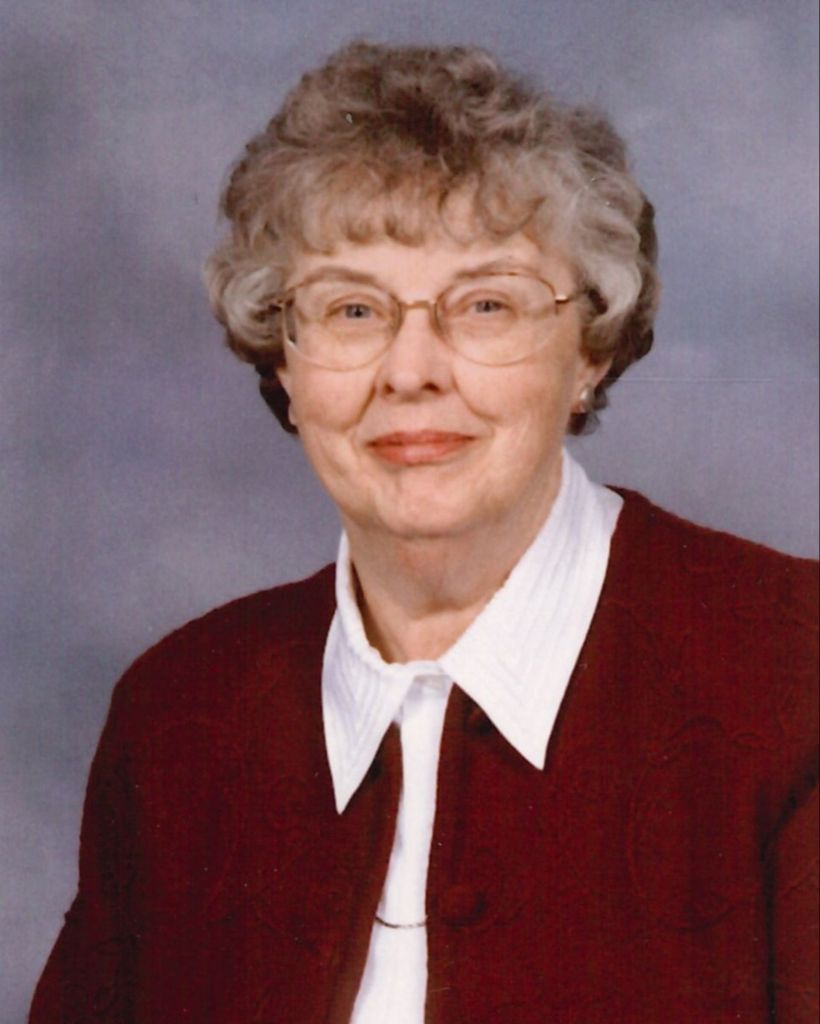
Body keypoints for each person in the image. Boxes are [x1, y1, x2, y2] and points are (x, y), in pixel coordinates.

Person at [31, 41, 817, 1024]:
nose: (410, 371)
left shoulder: (791, 673)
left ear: (590, 350)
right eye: (353, 308)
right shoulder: (178, 717)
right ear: (285, 360)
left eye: (486, 304)